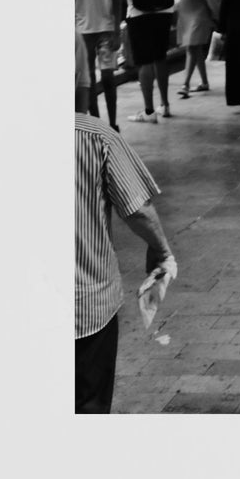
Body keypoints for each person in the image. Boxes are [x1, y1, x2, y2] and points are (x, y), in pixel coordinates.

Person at [75, 112, 176, 413]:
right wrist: (161, 250)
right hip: (85, 307)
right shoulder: (95, 136)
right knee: (87, 407)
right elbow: (137, 210)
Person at [75, 0, 125, 128]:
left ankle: (112, 123)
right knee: (89, 81)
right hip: (82, 30)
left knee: (107, 78)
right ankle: (96, 124)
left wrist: (116, 31)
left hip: (105, 28)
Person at [171, 0, 216, 99]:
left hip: (198, 10)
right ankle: (204, 82)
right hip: (184, 9)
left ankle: (185, 84)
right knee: (195, 47)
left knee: (191, 46)